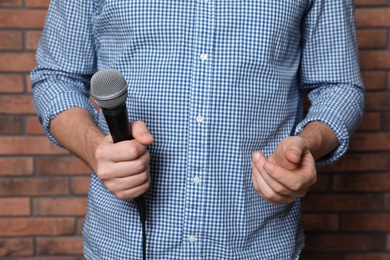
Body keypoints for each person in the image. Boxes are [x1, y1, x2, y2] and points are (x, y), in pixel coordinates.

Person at [31, 0, 365, 259]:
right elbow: (56, 77)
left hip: (258, 245)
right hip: (123, 244)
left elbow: (339, 87)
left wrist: (306, 144)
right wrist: (94, 147)